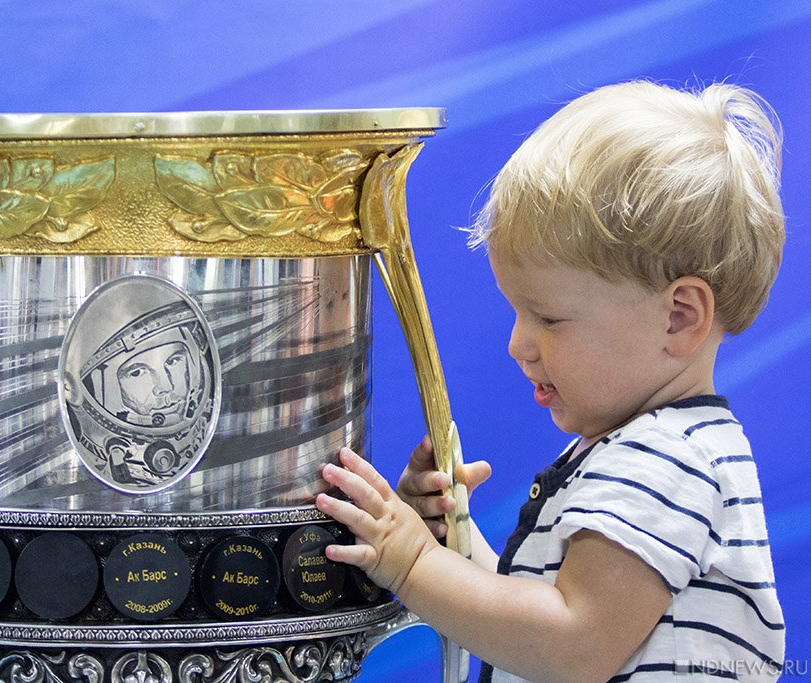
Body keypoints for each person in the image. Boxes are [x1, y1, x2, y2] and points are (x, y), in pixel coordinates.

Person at [315, 80, 786, 682]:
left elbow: (572, 646)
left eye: (549, 318)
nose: (517, 344)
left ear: (679, 317)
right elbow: (526, 622)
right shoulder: (640, 448)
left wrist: (410, 563)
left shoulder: (665, 460)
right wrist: (443, 543)